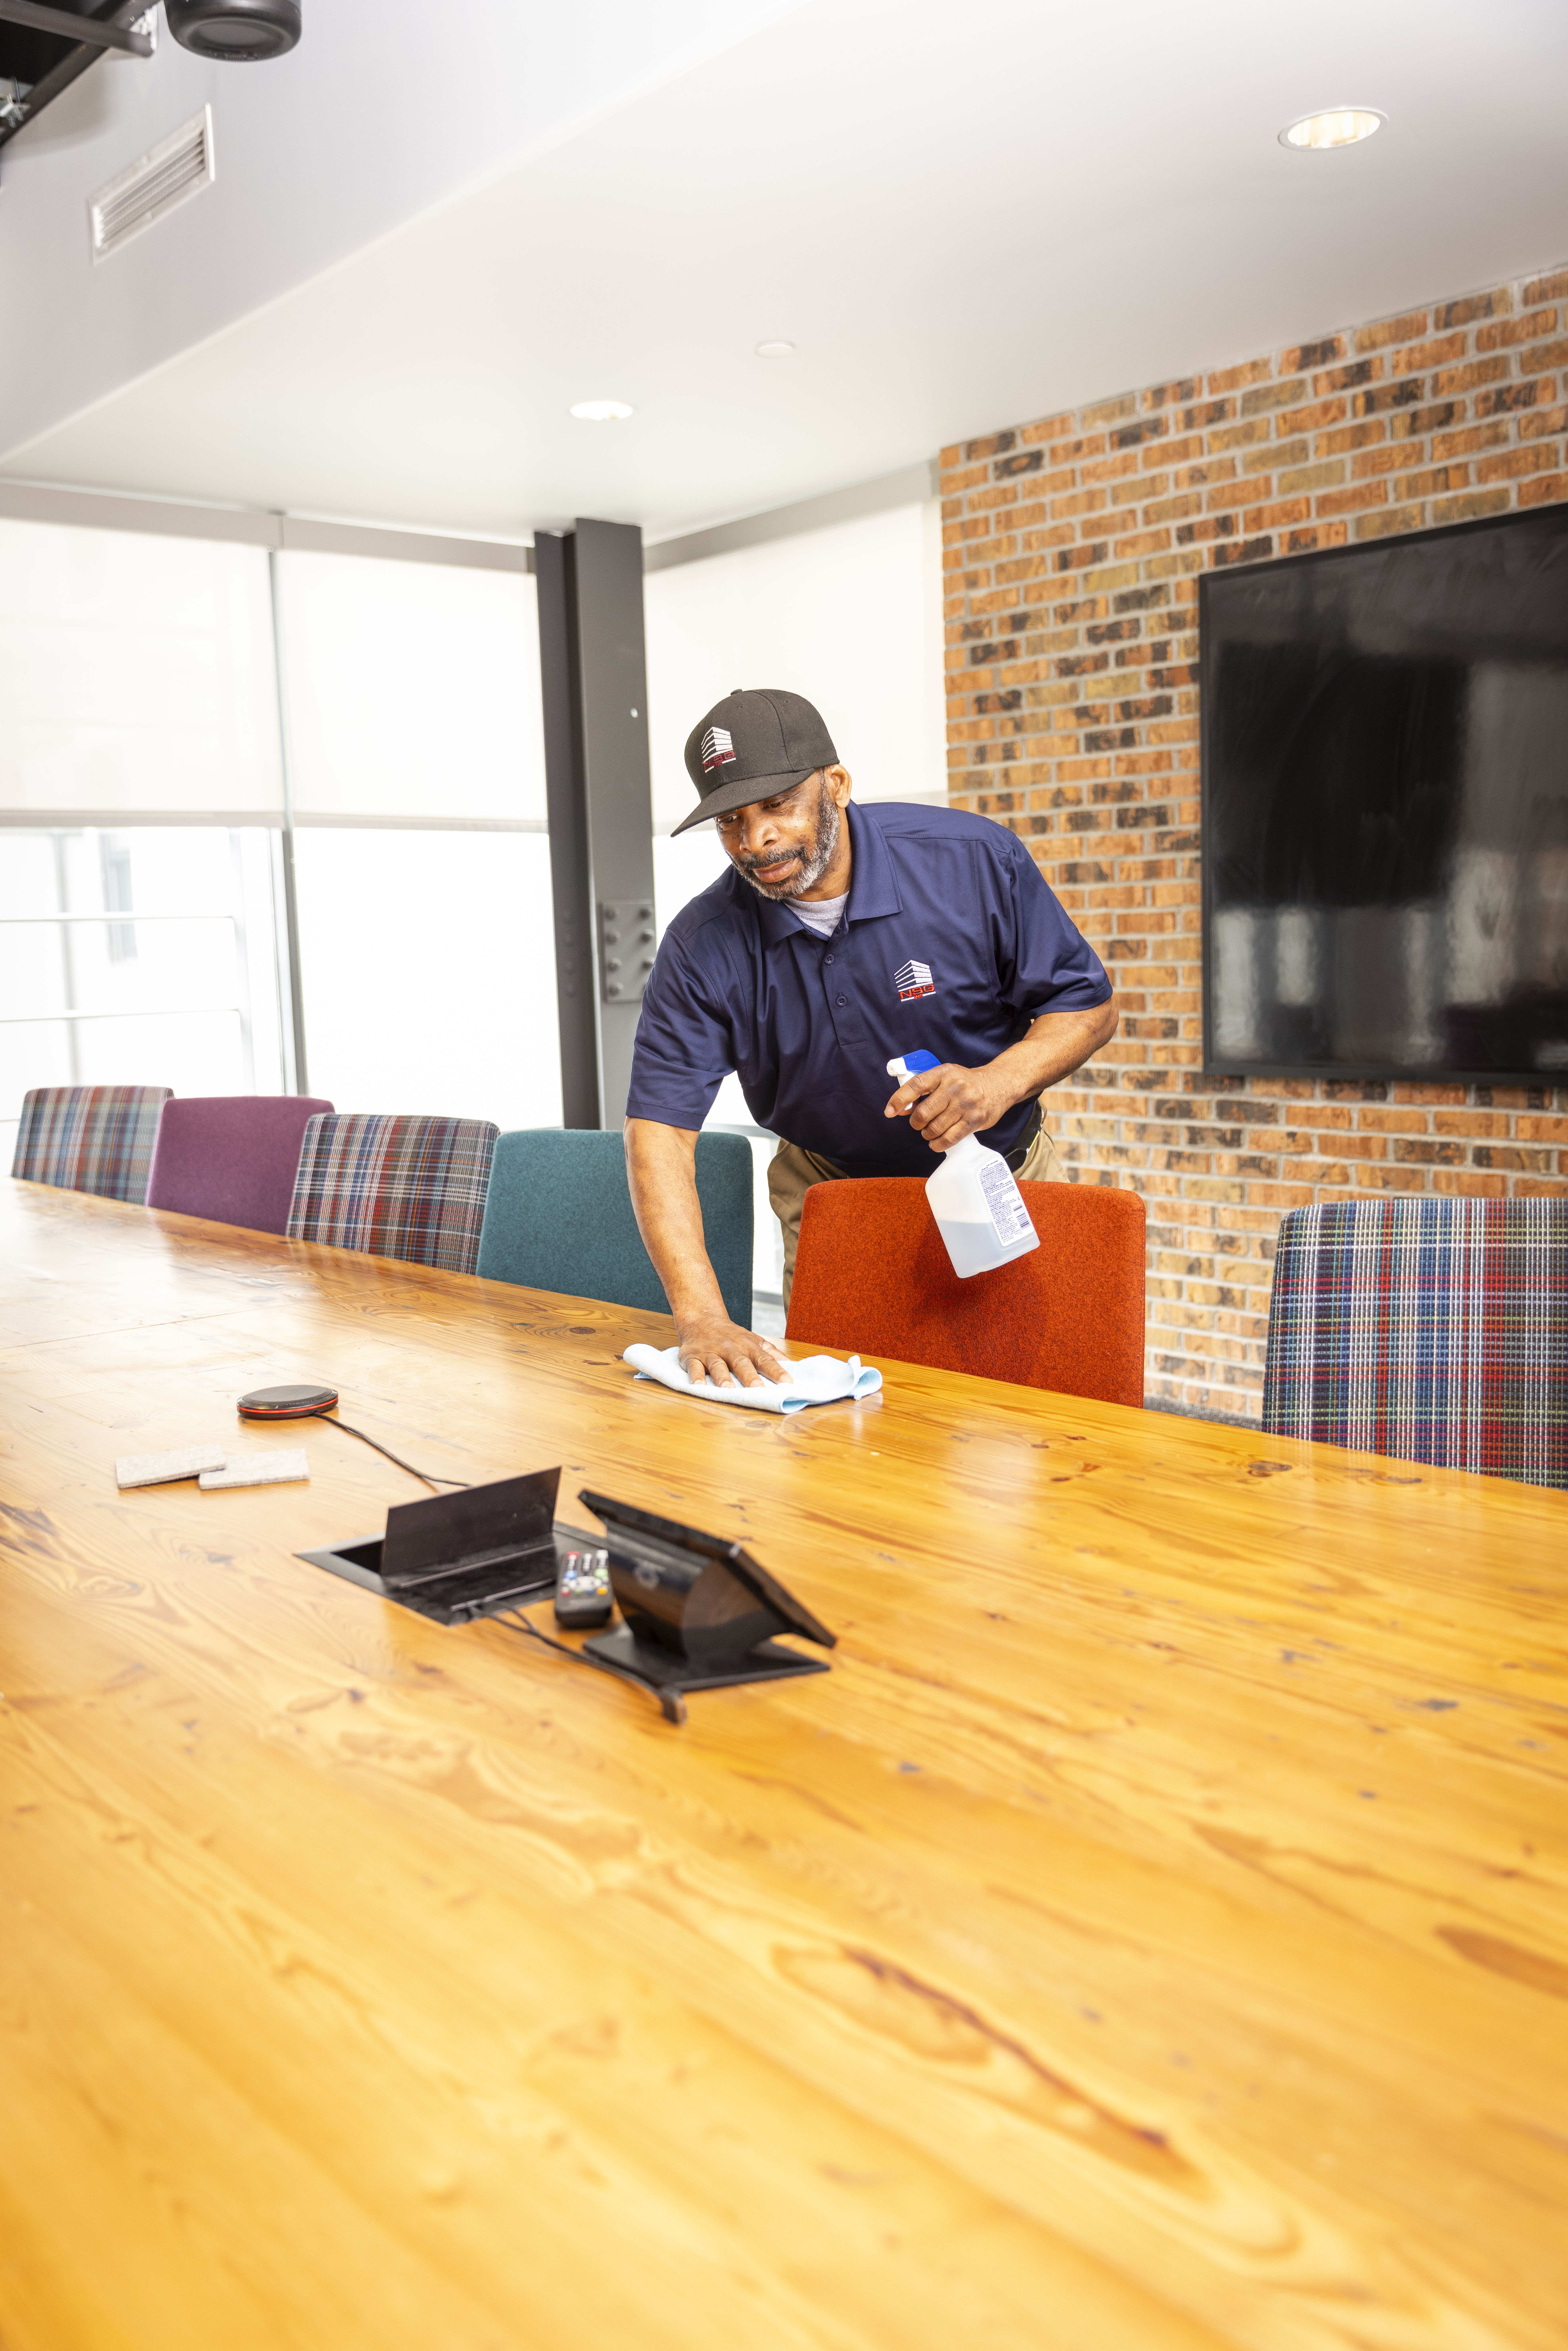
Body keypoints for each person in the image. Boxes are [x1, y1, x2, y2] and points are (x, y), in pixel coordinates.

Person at [625, 687, 1117, 1388]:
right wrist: (701, 1315)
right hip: (832, 1190)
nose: (754, 839)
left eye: (777, 806)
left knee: (1026, 1412)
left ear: (837, 785)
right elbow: (660, 1134)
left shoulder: (972, 862)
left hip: (999, 1173)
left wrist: (993, 1085)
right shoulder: (703, 945)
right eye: (731, 820)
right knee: (835, 1426)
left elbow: (1089, 1008)